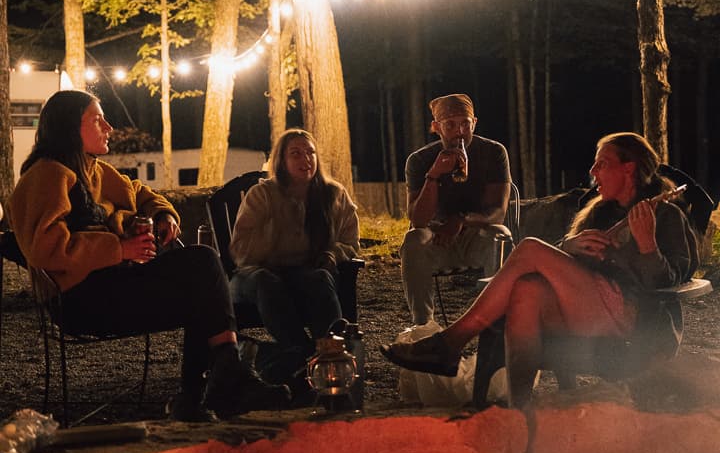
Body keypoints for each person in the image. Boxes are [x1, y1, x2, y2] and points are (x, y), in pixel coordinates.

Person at [8, 90, 288, 422]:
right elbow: (45, 249)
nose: (109, 127)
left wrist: (164, 214)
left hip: (111, 286)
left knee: (202, 288)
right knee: (201, 263)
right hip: (80, 301)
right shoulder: (47, 175)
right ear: (70, 127)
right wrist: (119, 249)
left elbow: (141, 193)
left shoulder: (93, 171)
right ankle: (223, 381)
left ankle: (202, 394)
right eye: (98, 120)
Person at [383, 132, 698, 408]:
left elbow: (673, 280)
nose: (592, 172)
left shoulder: (665, 214)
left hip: (634, 316)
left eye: (602, 164)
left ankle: (451, 343)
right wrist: (569, 247)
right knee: (527, 291)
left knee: (530, 247)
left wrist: (647, 247)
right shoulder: (601, 212)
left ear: (628, 168)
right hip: (589, 306)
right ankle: (519, 407)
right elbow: (571, 267)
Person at [229, 128, 360, 385]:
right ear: (282, 160)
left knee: (320, 278)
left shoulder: (333, 195)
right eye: (296, 154)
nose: (306, 159)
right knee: (268, 281)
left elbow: (350, 241)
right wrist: (275, 233)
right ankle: (306, 355)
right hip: (254, 274)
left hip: (305, 272)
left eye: (310, 152)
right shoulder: (263, 195)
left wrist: (332, 254)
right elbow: (240, 249)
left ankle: (332, 355)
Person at [401, 93, 511, 325]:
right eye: (450, 125)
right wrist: (434, 175)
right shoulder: (419, 160)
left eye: (465, 123)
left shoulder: (493, 152)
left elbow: (497, 213)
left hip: (476, 236)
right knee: (413, 239)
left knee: (500, 234)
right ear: (436, 127)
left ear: (475, 123)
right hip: (437, 239)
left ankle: (496, 319)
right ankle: (423, 324)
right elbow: (418, 219)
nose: (460, 131)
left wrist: (461, 220)